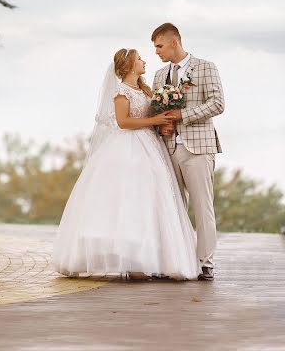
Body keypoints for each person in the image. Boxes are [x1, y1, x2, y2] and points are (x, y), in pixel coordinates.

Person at [53, 48, 200, 280]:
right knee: (127, 201)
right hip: (127, 147)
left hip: (149, 145)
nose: (144, 61)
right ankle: (131, 261)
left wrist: (163, 119)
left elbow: (148, 116)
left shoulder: (144, 89)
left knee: (148, 200)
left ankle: (144, 259)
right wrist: (155, 119)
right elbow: (123, 122)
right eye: (140, 59)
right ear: (131, 66)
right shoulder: (121, 91)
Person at [151, 23, 225, 281]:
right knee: (173, 207)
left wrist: (183, 115)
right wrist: (163, 123)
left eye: (159, 46)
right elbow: (155, 111)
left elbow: (217, 104)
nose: (156, 52)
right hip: (168, 149)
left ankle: (206, 263)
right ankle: (177, 261)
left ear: (174, 42)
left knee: (203, 207)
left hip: (199, 148)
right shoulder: (160, 76)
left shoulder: (206, 67)